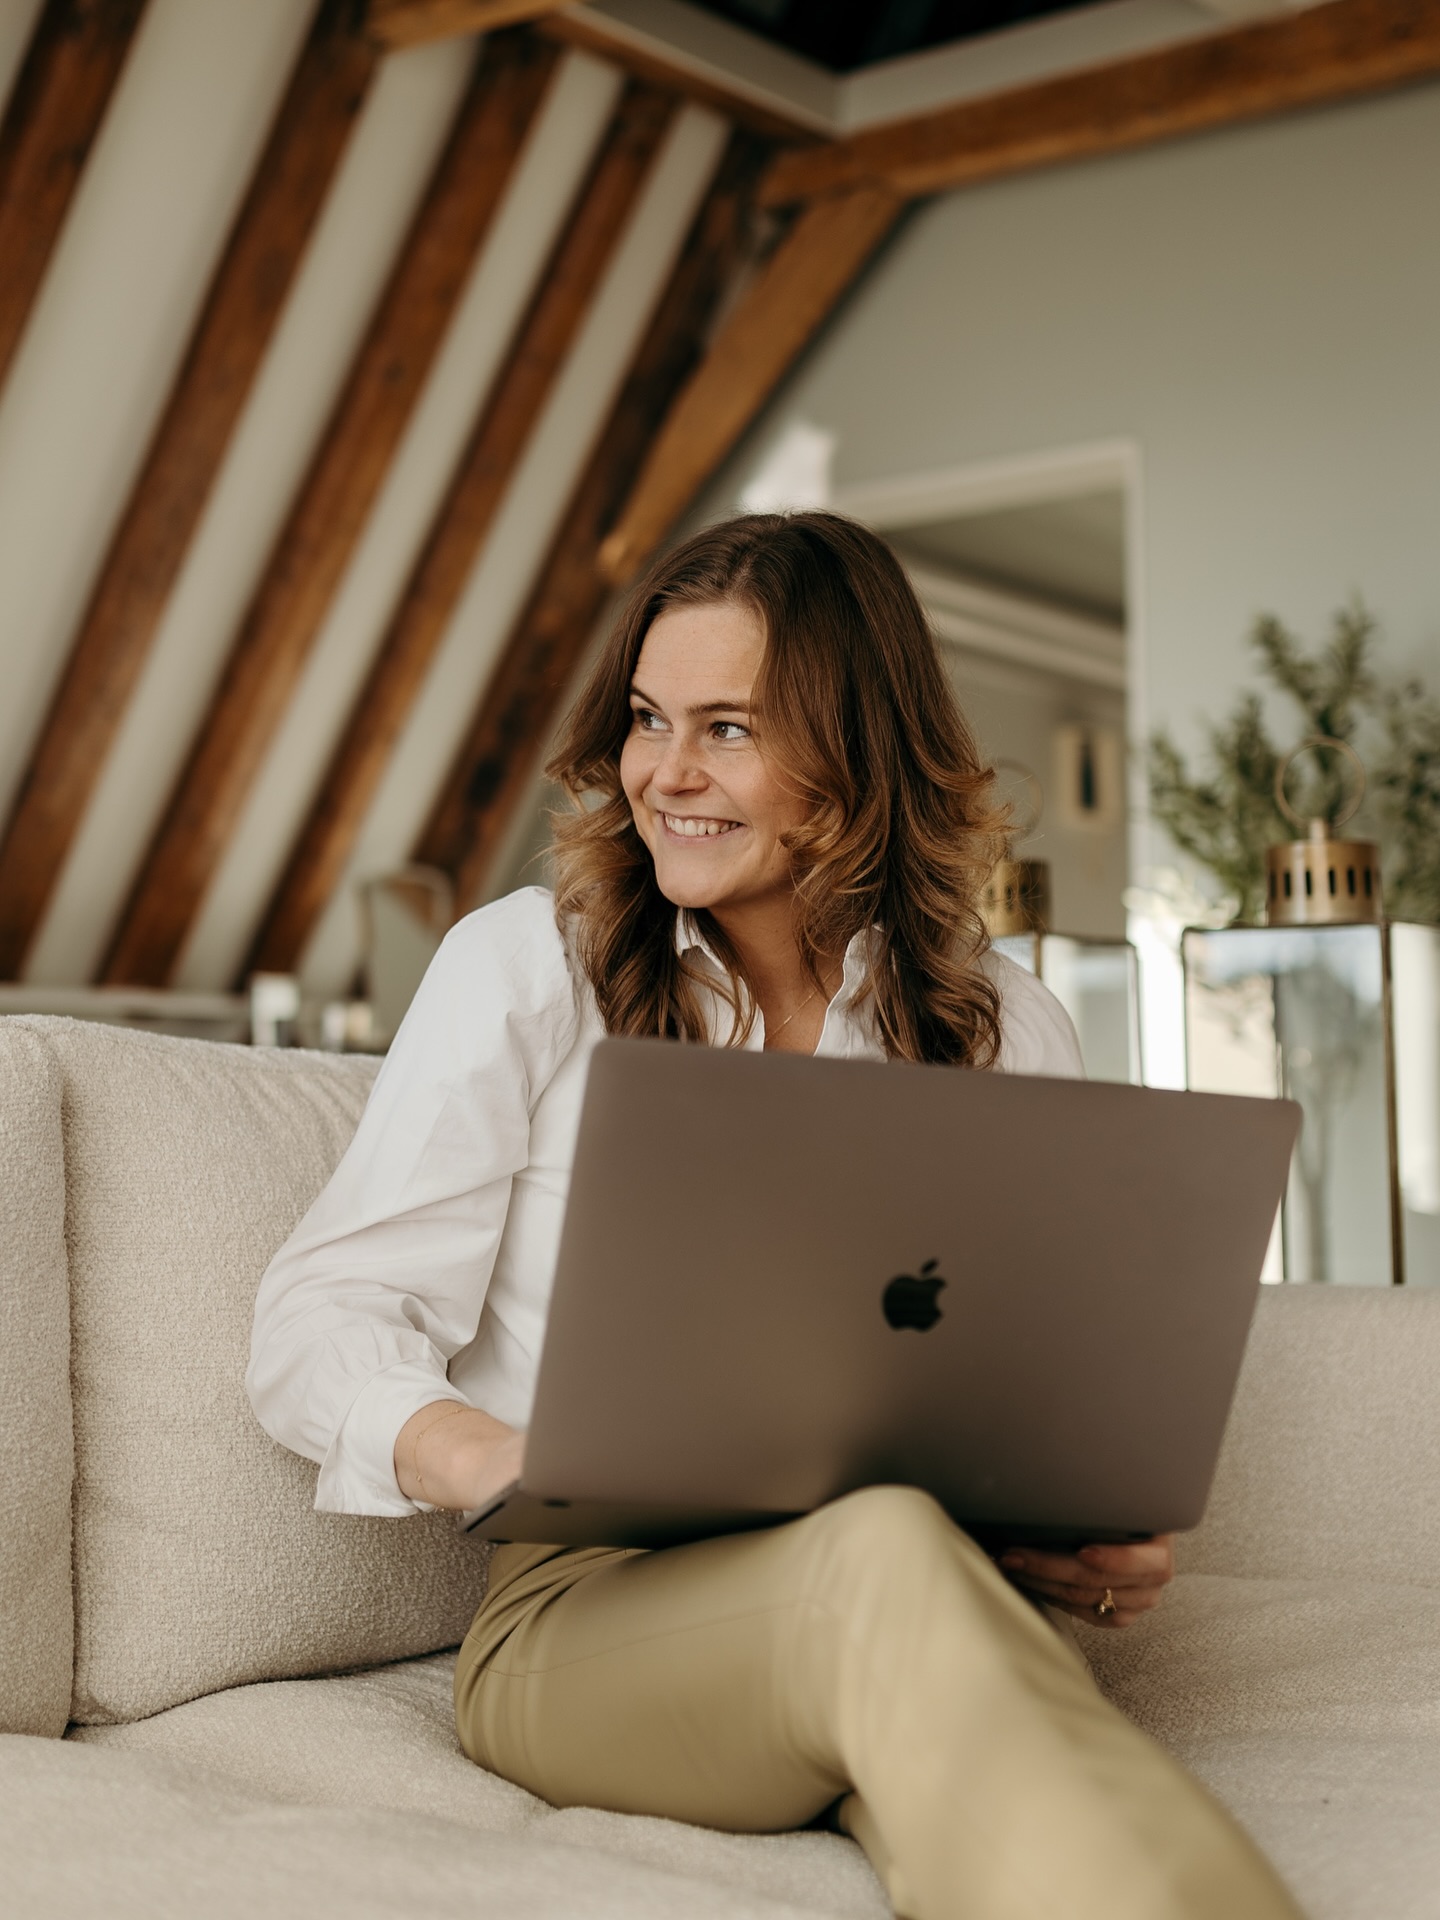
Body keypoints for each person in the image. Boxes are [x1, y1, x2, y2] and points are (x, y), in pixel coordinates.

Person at [249, 513, 1299, 1920]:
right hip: (588, 1616)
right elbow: (316, 1320)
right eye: (645, 720)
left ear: (854, 757)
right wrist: (488, 1449)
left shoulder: (1001, 1026)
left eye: (728, 728)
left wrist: (1085, 1536)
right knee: (888, 1565)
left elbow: (1025, 1379)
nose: (665, 775)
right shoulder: (527, 969)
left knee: (945, 1712)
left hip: (919, 1579)